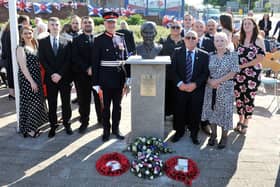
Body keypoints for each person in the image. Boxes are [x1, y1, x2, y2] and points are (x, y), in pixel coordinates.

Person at [92, 12, 130, 142]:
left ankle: (116, 129)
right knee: (106, 107)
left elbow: (125, 59)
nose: (111, 24)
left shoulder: (121, 38)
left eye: (113, 22)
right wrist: (95, 83)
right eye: (108, 22)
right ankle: (106, 130)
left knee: (117, 107)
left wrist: (128, 78)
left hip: (119, 79)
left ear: (116, 24)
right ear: (104, 24)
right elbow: (95, 62)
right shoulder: (99, 39)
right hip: (105, 80)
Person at [201, 32, 239, 149]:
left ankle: (224, 137)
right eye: (217, 40)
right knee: (212, 112)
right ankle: (213, 135)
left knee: (225, 113)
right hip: (211, 88)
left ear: (227, 41)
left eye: (222, 40)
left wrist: (217, 81)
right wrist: (210, 81)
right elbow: (203, 72)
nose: (219, 43)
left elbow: (233, 71)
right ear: (214, 43)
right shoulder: (209, 55)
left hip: (226, 88)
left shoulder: (233, 55)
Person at [171, 30, 209, 144]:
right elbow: (172, 71)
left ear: (197, 40)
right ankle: (179, 132)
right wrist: (180, 84)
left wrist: (195, 84)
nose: (191, 40)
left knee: (195, 111)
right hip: (180, 89)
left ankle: (194, 134)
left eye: (193, 38)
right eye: (188, 37)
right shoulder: (177, 52)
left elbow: (205, 73)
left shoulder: (204, 55)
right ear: (184, 39)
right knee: (179, 111)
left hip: (196, 89)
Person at [39, 17, 73, 138]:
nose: (54, 26)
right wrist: (53, 74)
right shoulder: (42, 42)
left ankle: (67, 123)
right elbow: (42, 60)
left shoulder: (67, 41)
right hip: (50, 78)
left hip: (64, 78)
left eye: (57, 24)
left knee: (66, 103)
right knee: (52, 103)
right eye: (52, 24)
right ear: (48, 27)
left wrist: (60, 74)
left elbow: (68, 60)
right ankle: (53, 126)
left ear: (60, 26)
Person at [234, 17, 265, 134]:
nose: (246, 25)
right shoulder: (240, 39)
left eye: (249, 23)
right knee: (238, 97)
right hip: (239, 74)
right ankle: (240, 119)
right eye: (244, 24)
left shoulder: (258, 39)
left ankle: (246, 122)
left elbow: (260, 58)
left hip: (252, 75)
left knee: (249, 98)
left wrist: (243, 66)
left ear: (253, 25)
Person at [16, 26, 48, 138]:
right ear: (21, 35)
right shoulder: (20, 48)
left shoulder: (35, 45)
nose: (28, 35)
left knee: (38, 101)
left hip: (37, 77)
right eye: (25, 34)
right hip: (27, 79)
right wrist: (31, 82)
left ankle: (35, 125)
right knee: (31, 103)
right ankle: (29, 129)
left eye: (30, 33)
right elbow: (23, 67)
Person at [72, 16, 102, 134]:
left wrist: (94, 68)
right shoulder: (76, 40)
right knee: (84, 100)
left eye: (90, 22)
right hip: (82, 76)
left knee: (99, 99)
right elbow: (75, 57)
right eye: (85, 22)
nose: (88, 24)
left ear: (93, 25)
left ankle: (101, 120)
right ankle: (84, 122)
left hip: (98, 76)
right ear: (82, 25)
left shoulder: (99, 39)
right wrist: (86, 68)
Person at [1, 15, 30, 100]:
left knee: (10, 75)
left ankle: (11, 93)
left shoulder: (5, 30)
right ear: (24, 21)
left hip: (7, 56)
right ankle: (15, 93)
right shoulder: (17, 29)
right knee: (17, 75)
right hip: (14, 56)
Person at [159, 21, 184, 118]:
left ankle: (178, 118)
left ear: (181, 29)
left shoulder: (185, 41)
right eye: (173, 27)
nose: (175, 29)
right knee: (166, 96)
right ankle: (165, 115)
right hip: (166, 74)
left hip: (181, 75)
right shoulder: (163, 41)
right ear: (170, 28)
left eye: (178, 27)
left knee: (179, 97)